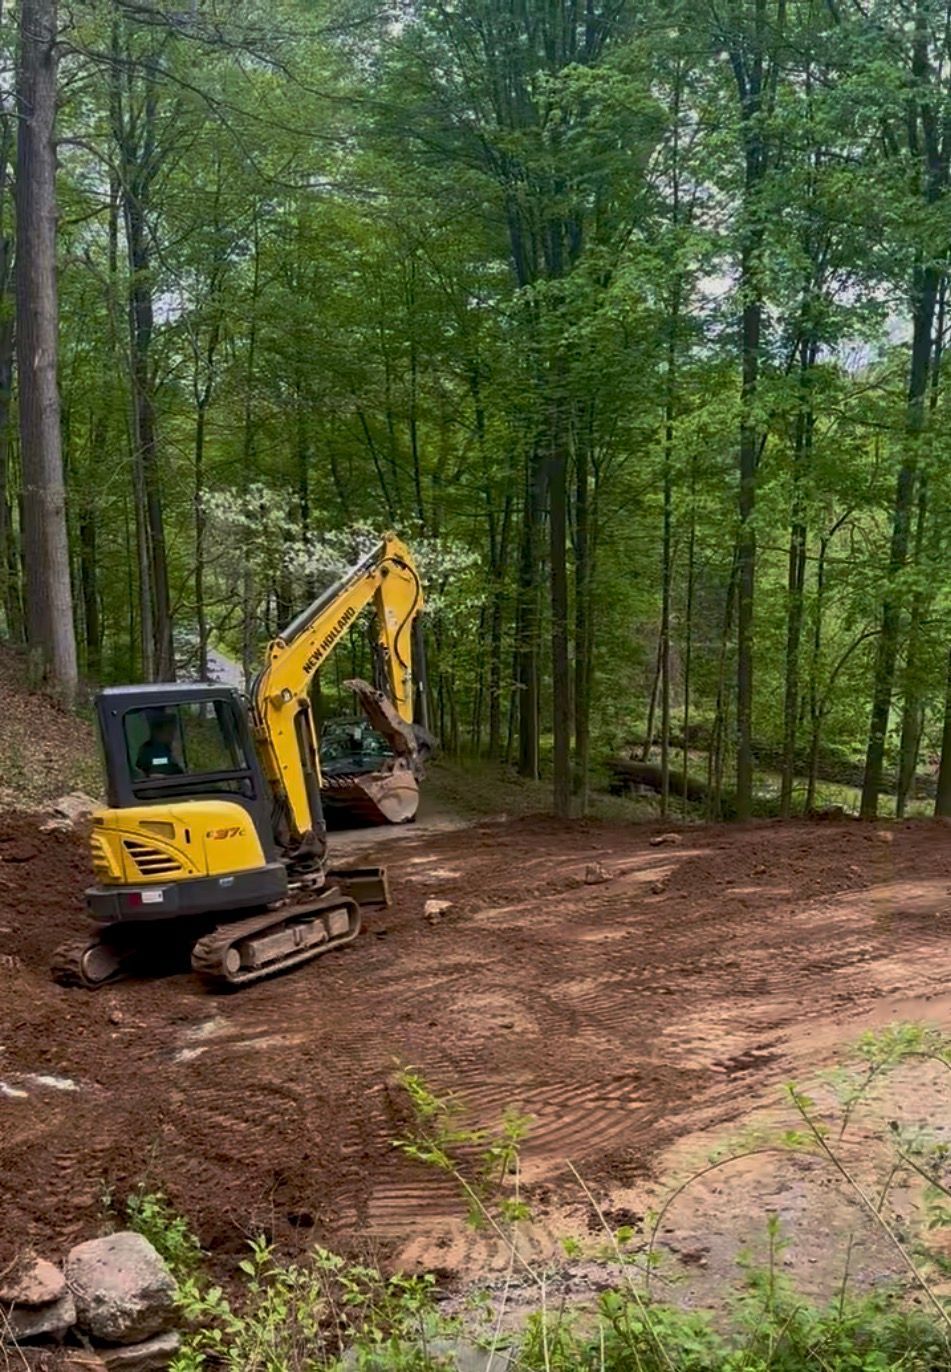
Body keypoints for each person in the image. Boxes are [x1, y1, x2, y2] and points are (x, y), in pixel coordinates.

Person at [136, 711, 184, 777]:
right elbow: (157, 775)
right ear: (157, 732)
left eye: (173, 732)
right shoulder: (155, 751)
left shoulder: (164, 749)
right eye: (169, 733)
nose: (172, 737)